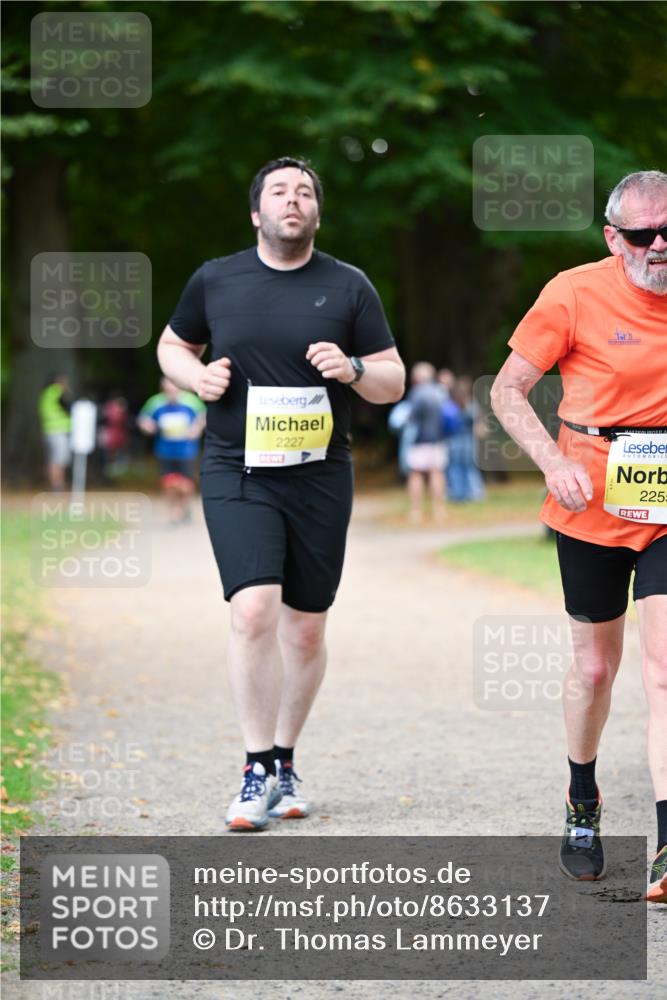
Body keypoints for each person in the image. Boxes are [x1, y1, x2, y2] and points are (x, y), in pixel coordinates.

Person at [156, 157, 405, 830]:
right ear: (256, 213)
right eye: (278, 191)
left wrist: (352, 368)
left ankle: (286, 758)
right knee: (253, 611)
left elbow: (391, 379)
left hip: (319, 475)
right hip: (236, 468)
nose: (291, 200)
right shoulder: (217, 278)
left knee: (304, 629)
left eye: (304, 192)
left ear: (316, 213)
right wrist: (194, 377)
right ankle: (254, 767)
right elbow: (172, 345)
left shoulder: (348, 287)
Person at [491, 170, 667, 904]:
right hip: (590, 493)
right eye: (641, 234)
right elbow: (506, 390)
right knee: (595, 670)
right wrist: (553, 460)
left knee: (664, 667)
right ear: (611, 237)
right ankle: (581, 797)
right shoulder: (572, 292)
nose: (659, 246)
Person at [138, 378, 206, 525]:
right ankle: (174, 511)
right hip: (165, 451)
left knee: (185, 484)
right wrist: (147, 426)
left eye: (174, 390)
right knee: (169, 483)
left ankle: (184, 506)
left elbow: (204, 416)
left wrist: (196, 428)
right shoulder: (155, 402)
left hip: (186, 450)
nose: (171, 394)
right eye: (168, 391)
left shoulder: (191, 402)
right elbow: (143, 419)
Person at [404, 362, 449, 523]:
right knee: (437, 473)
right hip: (438, 439)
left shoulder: (417, 393)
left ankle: (415, 511)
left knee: (416, 474)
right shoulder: (440, 393)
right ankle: (439, 509)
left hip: (419, 440)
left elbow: (411, 417)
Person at [39, 373, 72, 491]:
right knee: (59, 460)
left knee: (53, 459)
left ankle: (56, 485)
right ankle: (58, 485)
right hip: (59, 431)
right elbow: (68, 407)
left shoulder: (47, 394)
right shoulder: (58, 393)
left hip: (49, 431)